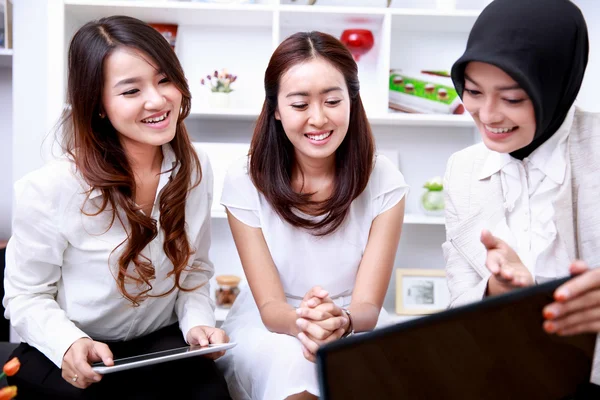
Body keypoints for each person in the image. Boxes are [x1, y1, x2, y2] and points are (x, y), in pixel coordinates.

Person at [3, 15, 231, 399]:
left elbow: (194, 272)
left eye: (164, 80)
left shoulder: (196, 168)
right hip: (77, 347)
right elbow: (25, 296)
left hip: (158, 343)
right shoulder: (50, 188)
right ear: (99, 106)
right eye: (130, 91)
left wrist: (197, 324)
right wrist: (68, 343)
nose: (157, 100)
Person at [216, 31, 408, 400]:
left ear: (352, 100)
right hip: (274, 326)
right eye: (300, 105)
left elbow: (367, 305)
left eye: (333, 100)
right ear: (275, 108)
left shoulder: (383, 178)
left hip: (355, 321)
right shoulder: (244, 180)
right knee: (297, 371)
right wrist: (306, 325)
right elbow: (272, 308)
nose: (318, 119)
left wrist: (342, 321)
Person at [442, 0, 600, 391]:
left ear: (556, 85)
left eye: (513, 98)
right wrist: (498, 292)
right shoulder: (463, 171)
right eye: (473, 91)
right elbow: (457, 306)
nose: (488, 114)